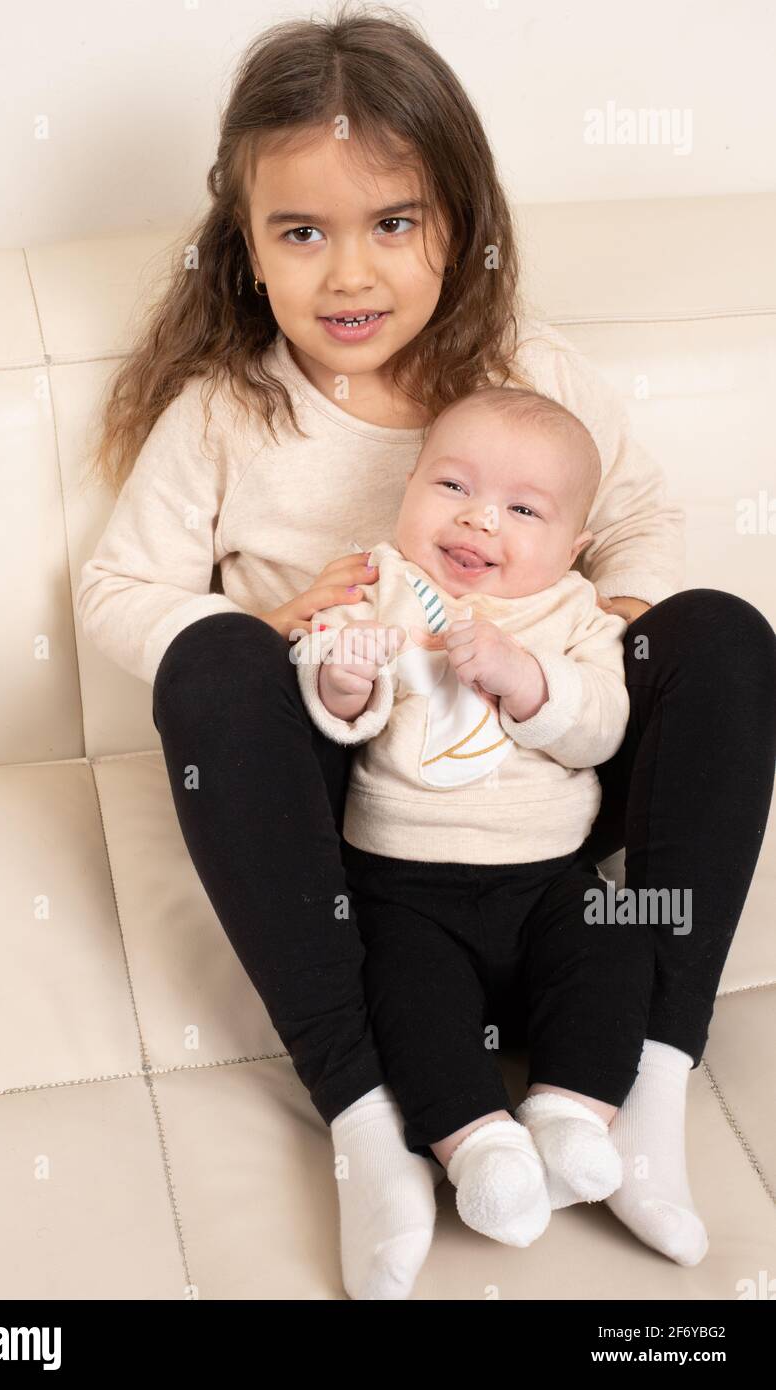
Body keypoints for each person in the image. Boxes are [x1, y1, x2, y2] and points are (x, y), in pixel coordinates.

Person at [76, 6, 776, 1300]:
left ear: (456, 221)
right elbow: (119, 589)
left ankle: (651, 1086)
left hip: (551, 775)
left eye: (391, 223)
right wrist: (275, 631)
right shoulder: (230, 413)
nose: (349, 275)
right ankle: (363, 1122)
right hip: (364, 810)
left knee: (723, 638)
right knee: (210, 665)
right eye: (303, 232)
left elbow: (643, 525)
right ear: (247, 248)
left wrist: (591, 645)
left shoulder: (528, 367)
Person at [293, 383, 652, 1251]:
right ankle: (477, 1146)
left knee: (618, 940)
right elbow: (320, 668)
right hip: (402, 882)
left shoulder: (572, 611)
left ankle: (570, 1113)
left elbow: (601, 724)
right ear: (409, 486)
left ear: (575, 544)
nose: (479, 522)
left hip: (549, 880)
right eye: (452, 488)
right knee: (406, 996)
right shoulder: (381, 583)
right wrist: (343, 676)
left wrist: (527, 677)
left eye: (523, 508)